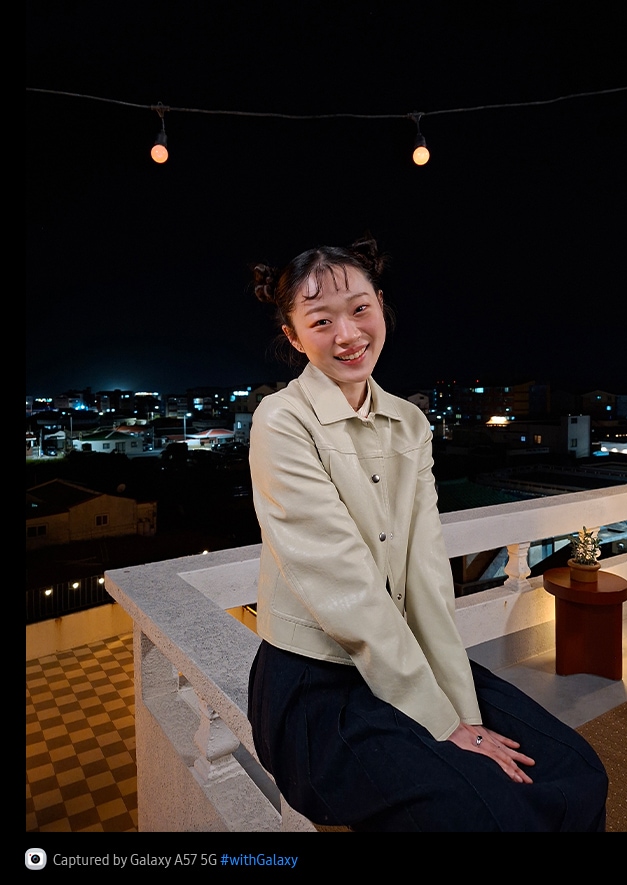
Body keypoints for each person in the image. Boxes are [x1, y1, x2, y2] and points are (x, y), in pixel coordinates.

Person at [247, 236, 608, 832]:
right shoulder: (282, 420)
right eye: (321, 320)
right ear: (293, 336)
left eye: (361, 309)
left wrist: (461, 709)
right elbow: (345, 586)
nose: (348, 334)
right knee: (484, 812)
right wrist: (442, 723)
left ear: (382, 306)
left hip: (408, 657)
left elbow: (425, 572)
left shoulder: (409, 422)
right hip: (318, 680)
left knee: (577, 771)